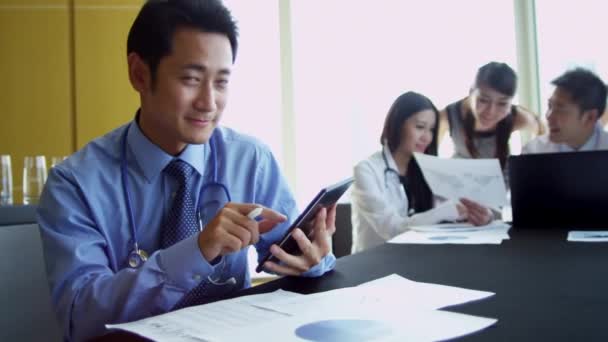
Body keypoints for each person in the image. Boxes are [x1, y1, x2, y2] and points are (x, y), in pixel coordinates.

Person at [36, 1, 336, 340]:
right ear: (139, 74)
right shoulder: (75, 184)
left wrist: (313, 257)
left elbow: (286, 255)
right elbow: (80, 317)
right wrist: (196, 251)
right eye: (191, 79)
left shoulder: (250, 160)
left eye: (221, 82)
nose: (209, 102)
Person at [351, 91, 493, 253]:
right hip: (373, 265)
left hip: (415, 259)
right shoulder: (366, 170)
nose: (427, 137)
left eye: (431, 130)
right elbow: (391, 228)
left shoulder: (426, 170)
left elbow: (449, 217)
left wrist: (480, 216)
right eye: (420, 127)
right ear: (397, 124)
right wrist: (449, 210)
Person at [438, 62, 543, 169]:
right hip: (459, 177)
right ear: (471, 92)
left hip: (501, 181)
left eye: (502, 103)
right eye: (483, 100)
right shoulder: (449, 115)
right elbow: (430, 155)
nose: (491, 111)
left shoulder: (519, 117)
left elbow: (546, 141)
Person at [523, 68, 608, 153]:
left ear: (590, 117)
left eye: (560, 109)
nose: (548, 116)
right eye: (550, 106)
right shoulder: (533, 152)